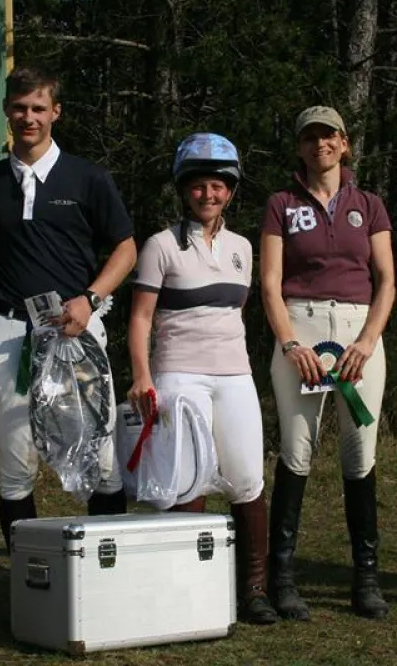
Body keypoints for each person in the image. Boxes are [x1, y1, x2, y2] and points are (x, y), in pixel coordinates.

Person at [0, 67, 137, 550]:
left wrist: (92, 298)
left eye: (38, 108)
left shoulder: (88, 178)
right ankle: (27, 575)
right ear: (6, 111)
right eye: (19, 108)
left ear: (55, 112)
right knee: (17, 461)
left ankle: (107, 568)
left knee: (100, 457)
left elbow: (126, 249)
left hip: (76, 331)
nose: (28, 117)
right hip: (10, 335)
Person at [126, 132, 278, 625]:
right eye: (198, 186)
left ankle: (253, 591)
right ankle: (187, 590)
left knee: (247, 478)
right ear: (183, 188)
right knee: (187, 481)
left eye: (218, 186)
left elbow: (234, 312)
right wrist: (142, 377)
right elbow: (141, 318)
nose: (208, 195)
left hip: (235, 376)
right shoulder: (159, 245)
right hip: (178, 374)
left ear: (230, 190)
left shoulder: (241, 247)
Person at [260, 106, 395, 621]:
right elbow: (269, 282)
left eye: (329, 136)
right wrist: (292, 344)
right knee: (296, 451)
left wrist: (366, 341)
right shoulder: (280, 204)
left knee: (360, 451)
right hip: (301, 327)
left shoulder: (371, 205)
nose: (320, 144)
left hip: (361, 332)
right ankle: (284, 577)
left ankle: (366, 577)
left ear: (345, 144)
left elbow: (386, 281)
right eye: (310, 137)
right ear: (299, 147)